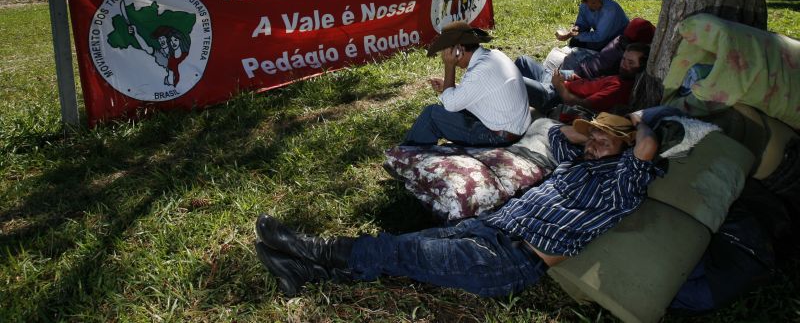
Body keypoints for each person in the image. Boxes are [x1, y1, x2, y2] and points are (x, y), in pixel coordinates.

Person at [253, 112, 662, 297]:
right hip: (488, 229)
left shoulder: (622, 186)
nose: (593, 144)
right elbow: (558, 133)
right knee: (407, 255)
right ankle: (304, 273)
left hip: (510, 260)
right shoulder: (578, 161)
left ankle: (310, 247)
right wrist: (592, 133)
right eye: (593, 138)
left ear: (624, 149)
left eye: (603, 141)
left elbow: (646, 145)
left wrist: (637, 118)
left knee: (401, 250)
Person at [404, 21, 531, 146]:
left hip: (499, 137)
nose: (446, 56)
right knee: (442, 110)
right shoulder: (493, 56)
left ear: (459, 50)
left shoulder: (479, 71)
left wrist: (449, 66)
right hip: (514, 127)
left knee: (432, 115)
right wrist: (448, 86)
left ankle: (405, 156)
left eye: (448, 52)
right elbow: (477, 92)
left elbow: (450, 104)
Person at [514, 43, 649, 115]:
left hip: (554, 97)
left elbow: (581, 104)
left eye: (631, 63)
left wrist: (560, 86)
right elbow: (591, 85)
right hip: (560, 83)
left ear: (642, 66)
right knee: (523, 60)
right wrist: (574, 79)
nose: (624, 64)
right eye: (624, 59)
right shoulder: (620, 77)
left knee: (514, 81)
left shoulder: (619, 89)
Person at [562, 17, 656, 79]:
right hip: (584, 75)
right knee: (557, 81)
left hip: (584, 65)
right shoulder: (625, 55)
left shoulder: (620, 39)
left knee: (559, 76)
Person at [556, 0, 629, 51]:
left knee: (597, 50)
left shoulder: (610, 9)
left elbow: (599, 36)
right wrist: (576, 29)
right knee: (574, 42)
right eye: (593, 2)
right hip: (603, 38)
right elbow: (582, 24)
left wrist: (576, 35)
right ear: (584, 2)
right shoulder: (584, 7)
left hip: (619, 38)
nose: (599, 4)